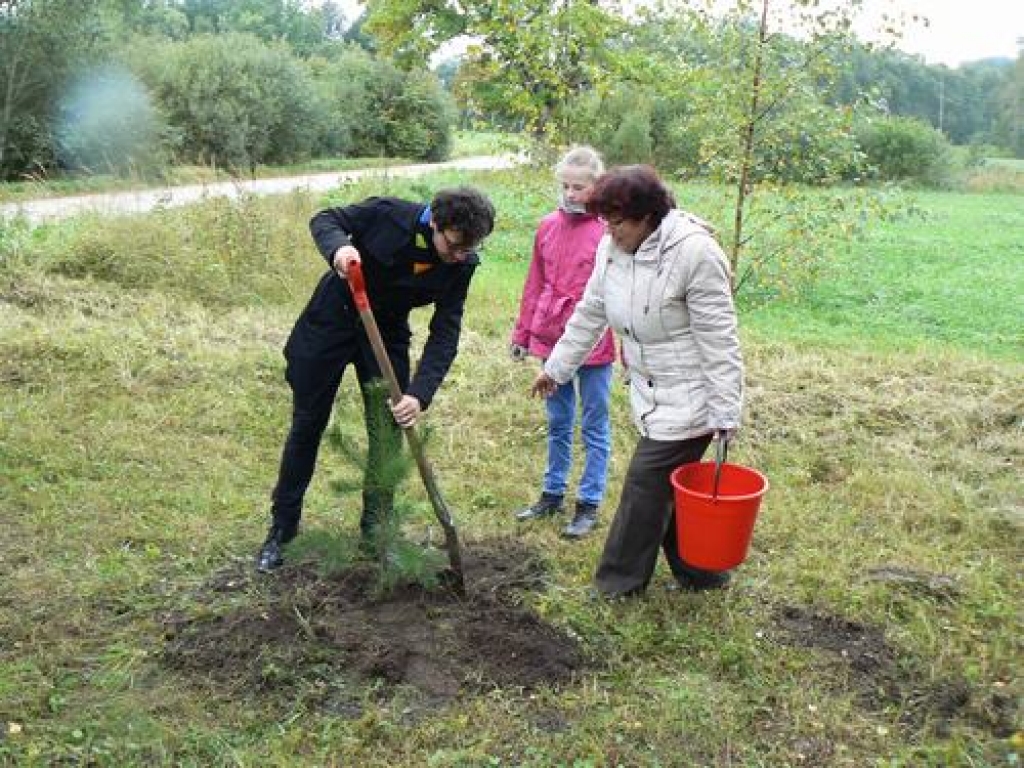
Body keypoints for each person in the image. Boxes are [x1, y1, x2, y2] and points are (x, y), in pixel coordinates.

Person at [256, 187, 496, 572]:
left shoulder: (462, 265)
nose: (458, 255)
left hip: (385, 336)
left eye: (467, 249)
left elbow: (445, 332)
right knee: (307, 424)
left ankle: (376, 534)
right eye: (453, 245)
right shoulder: (388, 213)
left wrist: (419, 394)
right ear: (435, 222)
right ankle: (281, 531)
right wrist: (338, 250)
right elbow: (326, 219)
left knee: (387, 435)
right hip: (330, 322)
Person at [531, 165, 743, 597]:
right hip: (650, 392)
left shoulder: (693, 254)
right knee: (666, 486)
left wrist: (724, 411)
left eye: (618, 221)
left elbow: (720, 342)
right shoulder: (614, 249)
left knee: (645, 483)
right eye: (604, 221)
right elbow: (592, 313)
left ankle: (616, 586)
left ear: (648, 216)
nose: (609, 230)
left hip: (693, 397)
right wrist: (556, 368)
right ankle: (701, 572)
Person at [509, 146, 615, 539]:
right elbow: (534, 283)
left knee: (594, 423)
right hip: (551, 341)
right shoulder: (547, 226)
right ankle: (552, 494)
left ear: (596, 187)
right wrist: (523, 334)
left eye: (580, 187)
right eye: (566, 186)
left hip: (593, 344)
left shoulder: (607, 230)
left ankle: (588, 503)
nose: (571, 194)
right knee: (557, 420)